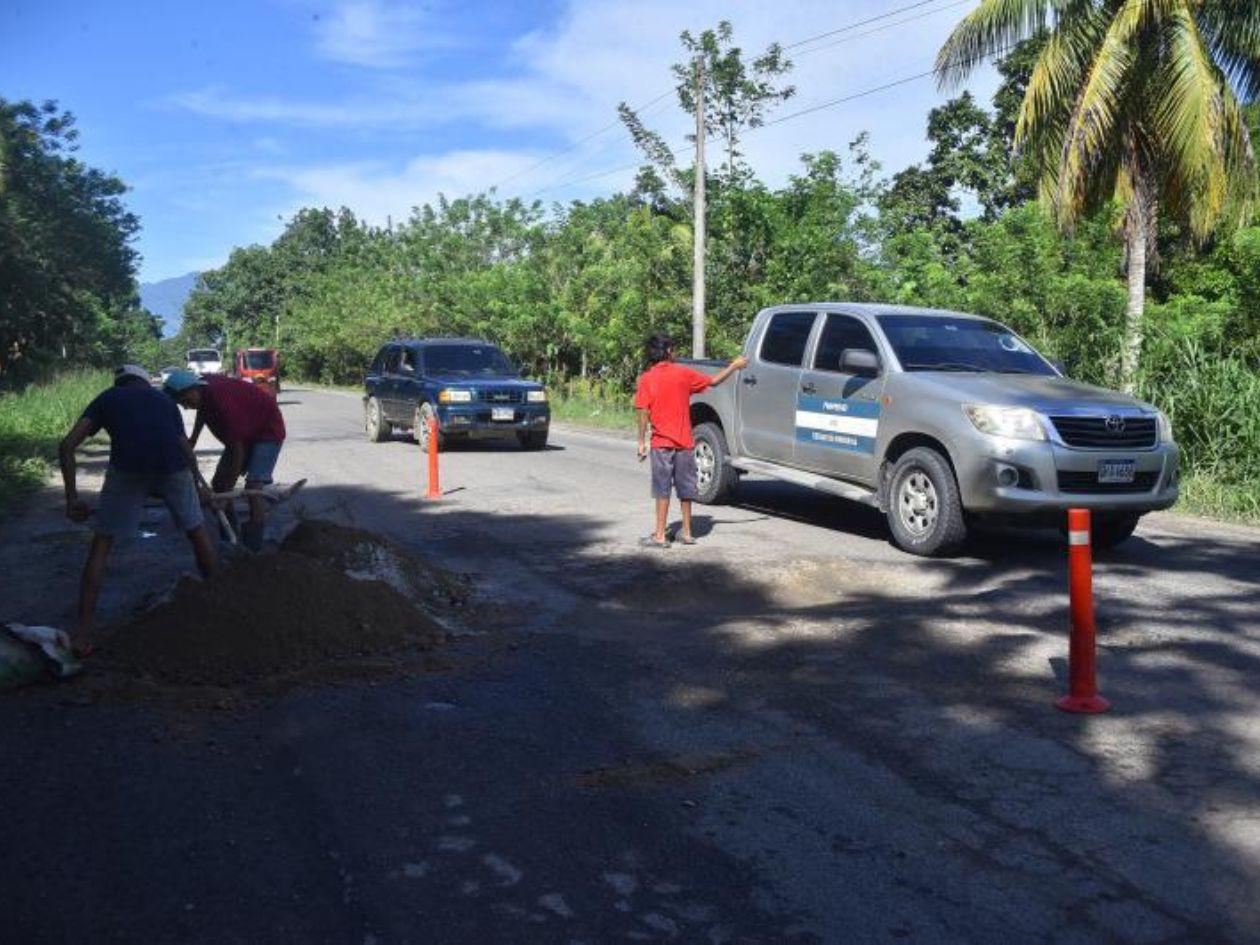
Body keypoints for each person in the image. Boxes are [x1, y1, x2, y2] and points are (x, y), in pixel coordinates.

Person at [59, 365, 218, 654]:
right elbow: (185, 448)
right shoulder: (165, 402)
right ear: (146, 382)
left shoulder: (108, 397)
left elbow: (67, 445)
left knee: (102, 543)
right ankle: (222, 602)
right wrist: (200, 486)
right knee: (197, 531)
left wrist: (72, 499)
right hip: (173, 468)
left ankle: (83, 634)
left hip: (128, 470)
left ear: (121, 383)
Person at [634, 334, 747, 547]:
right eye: (674, 349)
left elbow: (642, 411)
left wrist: (641, 441)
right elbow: (713, 381)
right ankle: (686, 532)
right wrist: (734, 366)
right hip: (685, 442)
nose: (676, 353)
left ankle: (660, 535)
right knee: (686, 489)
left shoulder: (647, 378)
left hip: (661, 444)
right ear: (667, 351)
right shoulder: (683, 374)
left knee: (662, 489)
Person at [164, 369, 286, 551]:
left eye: (186, 401)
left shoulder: (221, 399)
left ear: (192, 389)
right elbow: (202, 411)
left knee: (253, 486)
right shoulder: (202, 389)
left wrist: (229, 493)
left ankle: (254, 543)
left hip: (266, 430)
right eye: (182, 404)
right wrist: (193, 439)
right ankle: (230, 536)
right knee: (219, 484)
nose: (185, 407)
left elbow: (238, 451)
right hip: (244, 430)